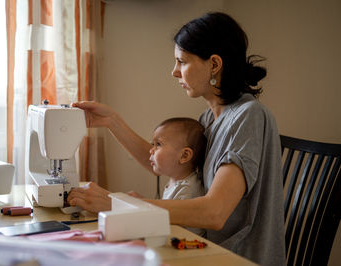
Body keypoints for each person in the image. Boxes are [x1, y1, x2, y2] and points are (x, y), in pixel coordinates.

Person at [68, 11, 285, 266]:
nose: (174, 72)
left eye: (182, 61)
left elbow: (215, 212)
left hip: (236, 258)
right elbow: (166, 161)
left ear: (214, 64)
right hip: (205, 249)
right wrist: (111, 122)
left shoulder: (249, 116)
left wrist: (119, 204)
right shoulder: (210, 119)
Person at [131, 117, 206, 236]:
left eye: (158, 144)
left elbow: (172, 227)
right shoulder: (175, 182)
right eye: (153, 144)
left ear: (184, 155)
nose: (151, 150)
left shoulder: (188, 190)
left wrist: (142, 205)